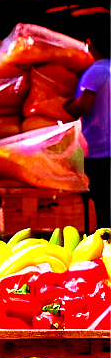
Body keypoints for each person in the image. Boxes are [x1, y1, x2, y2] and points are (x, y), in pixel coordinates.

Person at [65, 44, 109, 230]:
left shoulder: (95, 72)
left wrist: (64, 105)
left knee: (102, 206)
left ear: (89, 44)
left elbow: (82, 106)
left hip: (98, 153)